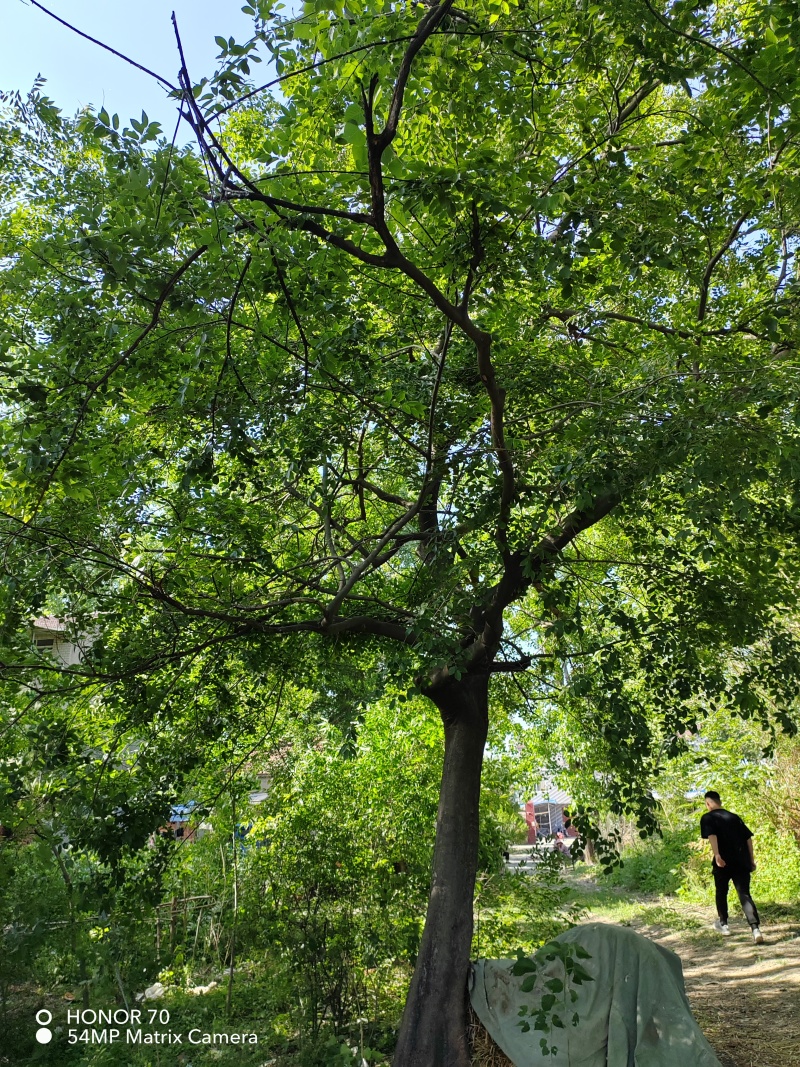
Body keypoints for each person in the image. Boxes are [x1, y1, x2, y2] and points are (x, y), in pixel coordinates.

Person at [700, 790, 764, 944]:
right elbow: (748, 838)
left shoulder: (707, 817)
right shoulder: (734, 818)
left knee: (721, 891)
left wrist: (717, 855)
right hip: (741, 861)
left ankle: (724, 924)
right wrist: (751, 859)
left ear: (708, 803)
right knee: (744, 894)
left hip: (723, 861)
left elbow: (712, 836)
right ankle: (755, 929)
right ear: (719, 801)